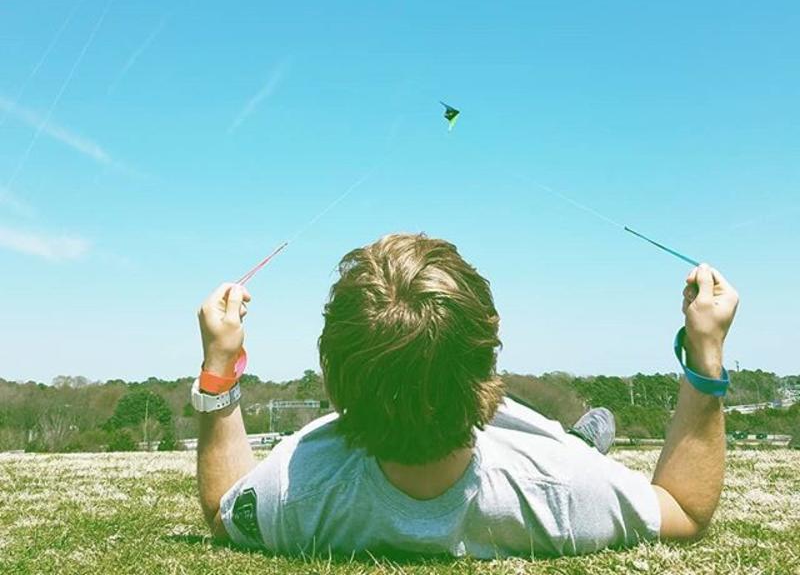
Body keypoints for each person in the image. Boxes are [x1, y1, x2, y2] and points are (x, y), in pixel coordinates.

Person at [194, 233, 739, 559]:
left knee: (566, 447)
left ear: (332, 375)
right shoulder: (559, 488)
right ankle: (582, 438)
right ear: (489, 357)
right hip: (548, 456)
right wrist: (706, 353)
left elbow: (224, 512)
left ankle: (581, 436)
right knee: (570, 447)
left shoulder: (299, 493)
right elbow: (684, 510)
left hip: (515, 445)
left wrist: (219, 367)